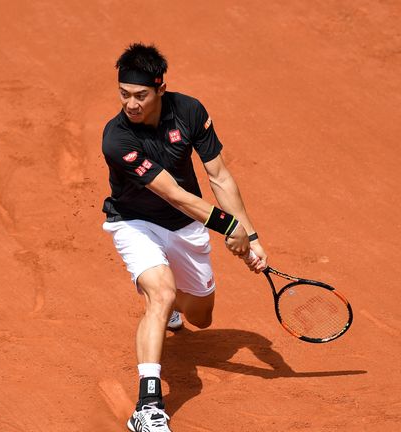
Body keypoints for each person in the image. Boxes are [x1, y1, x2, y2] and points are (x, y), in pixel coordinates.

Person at [101, 43, 269, 432]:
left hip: (186, 228)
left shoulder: (190, 111)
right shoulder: (116, 139)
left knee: (201, 318)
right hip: (134, 222)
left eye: (140, 95)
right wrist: (230, 227)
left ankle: (173, 306)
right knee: (158, 293)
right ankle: (148, 407)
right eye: (123, 94)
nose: (131, 104)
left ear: (161, 88)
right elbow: (173, 193)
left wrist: (252, 235)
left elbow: (219, 177)